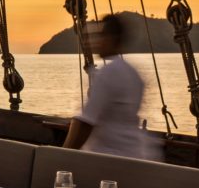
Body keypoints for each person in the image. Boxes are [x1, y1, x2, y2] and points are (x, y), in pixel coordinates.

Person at [65, 15, 157, 159]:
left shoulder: (109, 72)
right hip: (134, 154)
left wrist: (62, 156)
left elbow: (85, 123)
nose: (96, 41)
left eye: (101, 36)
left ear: (113, 39)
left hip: (108, 158)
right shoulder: (133, 73)